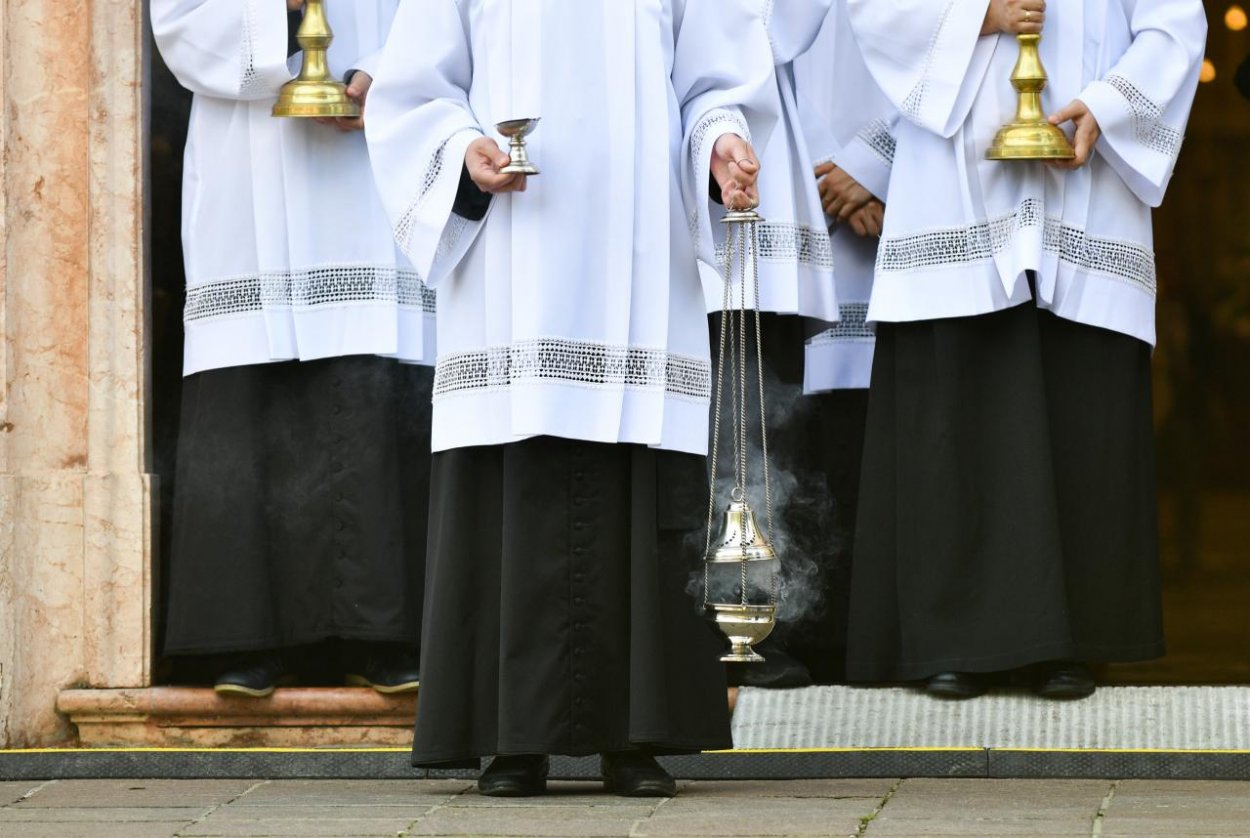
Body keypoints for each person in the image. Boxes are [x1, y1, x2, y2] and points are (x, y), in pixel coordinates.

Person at [366, 0, 774, 798]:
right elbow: (414, 90)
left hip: (639, 250)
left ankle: (638, 737)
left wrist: (722, 144)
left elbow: (715, 78)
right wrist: (463, 151)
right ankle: (510, 741)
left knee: (636, 468)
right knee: (513, 471)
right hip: (516, 254)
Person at [844, 0, 1206, 699]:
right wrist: (983, 14)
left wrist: (1107, 105)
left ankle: (1066, 643)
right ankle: (952, 639)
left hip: (1085, 176)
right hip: (954, 181)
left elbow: (1175, 21)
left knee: (1074, 405)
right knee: (961, 397)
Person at [151, 0, 430, 697]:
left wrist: (383, 76)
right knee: (252, 377)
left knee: (373, 377)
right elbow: (181, 23)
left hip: (373, 159)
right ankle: (250, 638)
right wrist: (282, 14)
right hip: (248, 166)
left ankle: (386, 633)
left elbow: (446, 15)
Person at [774, 0, 898, 681]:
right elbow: (758, 47)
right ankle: (804, 631)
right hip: (798, 190)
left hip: (912, 189)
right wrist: (833, 174)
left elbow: (943, 54)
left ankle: (884, 634)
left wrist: (872, 167)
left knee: (886, 425)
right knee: (807, 425)